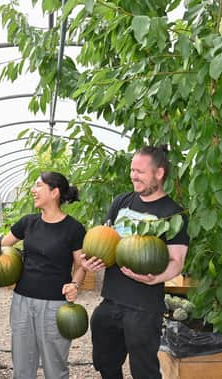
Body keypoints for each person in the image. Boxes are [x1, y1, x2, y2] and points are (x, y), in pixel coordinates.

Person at [82, 145, 190, 379]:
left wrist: (156, 279)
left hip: (144, 307)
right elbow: (104, 239)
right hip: (111, 299)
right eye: (132, 170)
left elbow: (177, 260)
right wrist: (92, 261)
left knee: (144, 371)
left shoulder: (173, 214)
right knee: (105, 361)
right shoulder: (121, 202)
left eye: (139, 171)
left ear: (158, 174)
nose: (133, 176)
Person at [0, 171, 86, 379]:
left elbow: (81, 265)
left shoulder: (73, 229)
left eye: (38, 186)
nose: (32, 190)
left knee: (55, 366)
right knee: (22, 365)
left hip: (55, 306)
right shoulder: (28, 222)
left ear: (54, 192)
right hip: (22, 302)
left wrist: (75, 284)